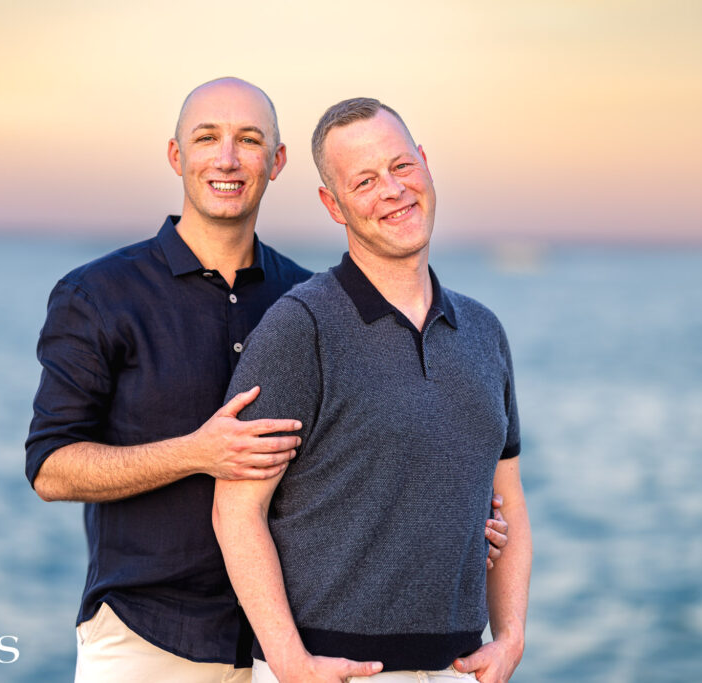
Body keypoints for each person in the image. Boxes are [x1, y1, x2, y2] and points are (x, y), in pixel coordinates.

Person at [26, 79, 510, 683]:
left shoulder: (308, 302)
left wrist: (457, 524)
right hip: (150, 635)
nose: (227, 158)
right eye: (207, 138)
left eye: (249, 140)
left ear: (275, 162)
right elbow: (49, 468)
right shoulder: (100, 294)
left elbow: (357, 459)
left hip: (288, 643)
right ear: (177, 156)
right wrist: (194, 454)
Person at [213, 98, 532, 683]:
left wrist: (510, 636)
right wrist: (288, 660)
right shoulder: (299, 327)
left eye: (401, 166)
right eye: (364, 180)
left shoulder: (484, 331)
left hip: (462, 666)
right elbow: (237, 511)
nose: (392, 190)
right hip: (334, 669)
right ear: (333, 204)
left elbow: (509, 498)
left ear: (426, 166)